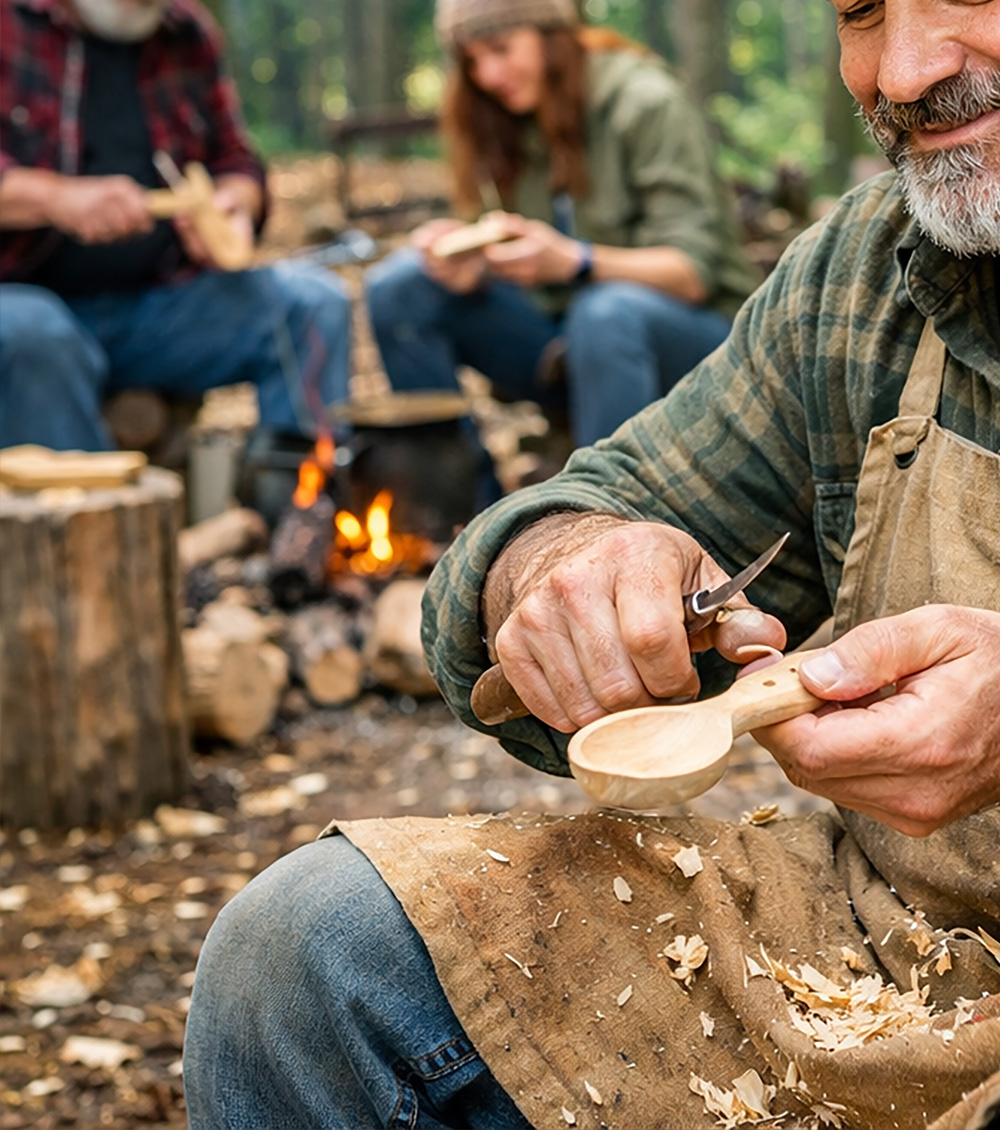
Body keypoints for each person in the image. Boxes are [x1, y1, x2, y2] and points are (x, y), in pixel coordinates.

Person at [183, 1, 1000, 1128]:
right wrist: (566, 563)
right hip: (886, 944)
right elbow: (584, 508)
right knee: (303, 952)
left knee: (616, 315)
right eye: (860, 6)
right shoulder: (867, 275)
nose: (902, 71)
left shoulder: (642, 104)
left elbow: (688, 261)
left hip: (638, 310)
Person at [364, 0, 758, 471]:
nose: (487, 74)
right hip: (569, 342)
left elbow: (691, 272)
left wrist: (575, 261)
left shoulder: (646, 101)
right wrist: (477, 263)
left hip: (697, 345)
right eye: (472, 60)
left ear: (551, 36)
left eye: (501, 48)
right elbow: (518, 253)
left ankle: (601, 520)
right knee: (401, 287)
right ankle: (459, 516)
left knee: (605, 314)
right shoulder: (503, 116)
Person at [0, 0, 351, 452]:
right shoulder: (11, 22)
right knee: (36, 336)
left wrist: (234, 205)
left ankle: (301, 507)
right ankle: (87, 512)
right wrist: (55, 200)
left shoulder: (187, 32)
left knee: (312, 306)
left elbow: (236, 161)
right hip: (23, 301)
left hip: (156, 308)